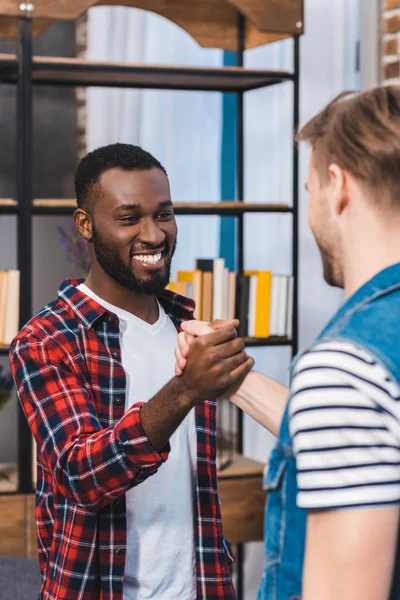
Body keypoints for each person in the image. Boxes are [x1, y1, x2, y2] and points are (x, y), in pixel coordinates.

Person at [175, 85, 400, 600]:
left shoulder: (346, 368)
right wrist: (234, 379)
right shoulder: (358, 376)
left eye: (310, 190)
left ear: (339, 186)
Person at [10, 143, 254, 600]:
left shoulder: (190, 326)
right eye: (129, 218)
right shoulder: (46, 340)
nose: (154, 234)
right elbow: (84, 476)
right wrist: (186, 390)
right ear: (85, 225)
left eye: (164, 214)